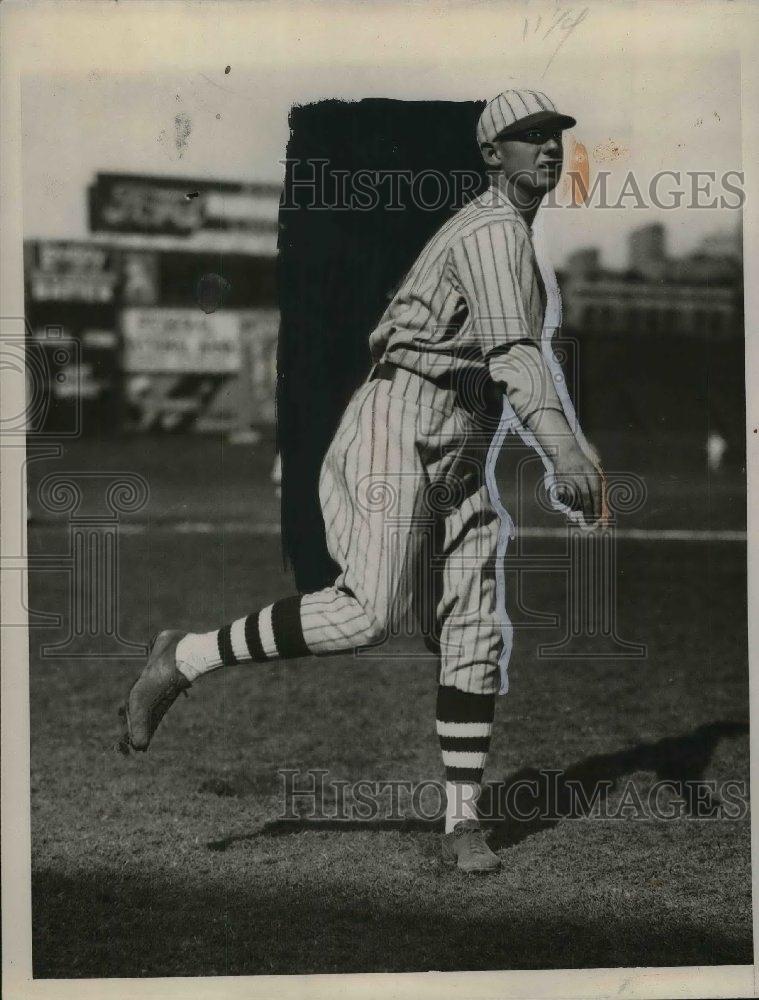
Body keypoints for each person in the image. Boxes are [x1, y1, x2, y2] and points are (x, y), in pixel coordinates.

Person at [118, 89, 605, 874]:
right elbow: (514, 355)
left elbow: (506, 360)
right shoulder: (489, 231)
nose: (548, 147)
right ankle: (185, 656)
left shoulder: (512, 234)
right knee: (368, 613)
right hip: (397, 423)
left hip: (459, 447)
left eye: (554, 134)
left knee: (474, 630)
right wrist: (564, 451)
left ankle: (461, 823)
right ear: (492, 154)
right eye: (529, 135)